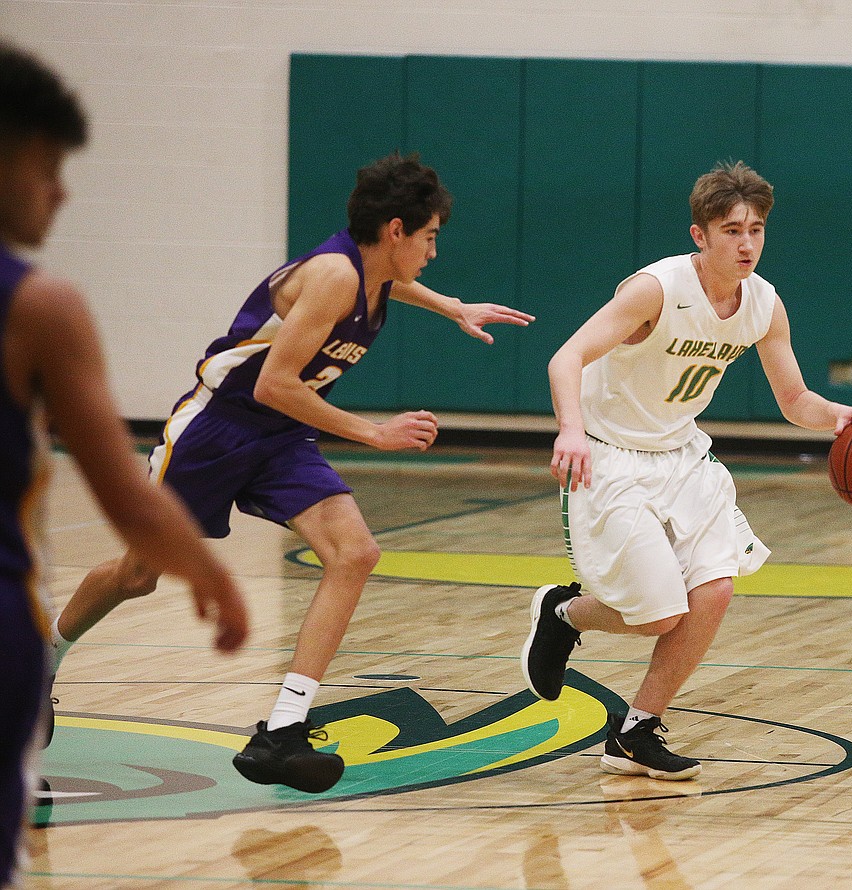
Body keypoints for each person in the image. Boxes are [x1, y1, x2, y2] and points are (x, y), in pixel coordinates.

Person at [48, 151, 535, 794]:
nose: (433, 252)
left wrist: (451, 306)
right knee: (138, 575)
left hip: (280, 438)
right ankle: (38, 666)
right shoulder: (334, 276)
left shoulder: (373, 271)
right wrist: (374, 434)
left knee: (354, 554)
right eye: (430, 237)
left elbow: (394, 284)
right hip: (216, 432)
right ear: (396, 230)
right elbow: (276, 383)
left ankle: (281, 732)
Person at [522, 161, 852, 780]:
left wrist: (840, 417)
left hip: (683, 454)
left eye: (755, 230)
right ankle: (562, 614)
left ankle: (636, 729)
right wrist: (569, 430)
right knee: (659, 617)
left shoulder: (763, 304)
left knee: (715, 590)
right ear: (700, 236)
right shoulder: (655, 290)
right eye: (731, 230)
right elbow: (567, 357)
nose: (746, 243)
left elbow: (795, 399)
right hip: (611, 452)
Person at [0, 43, 248, 887]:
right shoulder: (41, 305)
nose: (61, 193)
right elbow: (124, 499)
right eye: (45, 168)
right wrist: (209, 574)